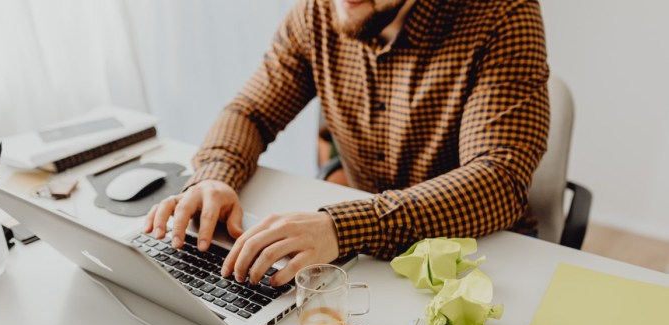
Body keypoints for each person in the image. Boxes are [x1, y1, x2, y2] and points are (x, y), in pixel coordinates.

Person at [143, 0, 550, 287]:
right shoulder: (316, 12)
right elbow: (250, 112)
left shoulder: (503, 13)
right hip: (367, 251)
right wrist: (215, 177)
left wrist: (344, 226)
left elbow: (499, 179)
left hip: (481, 252)